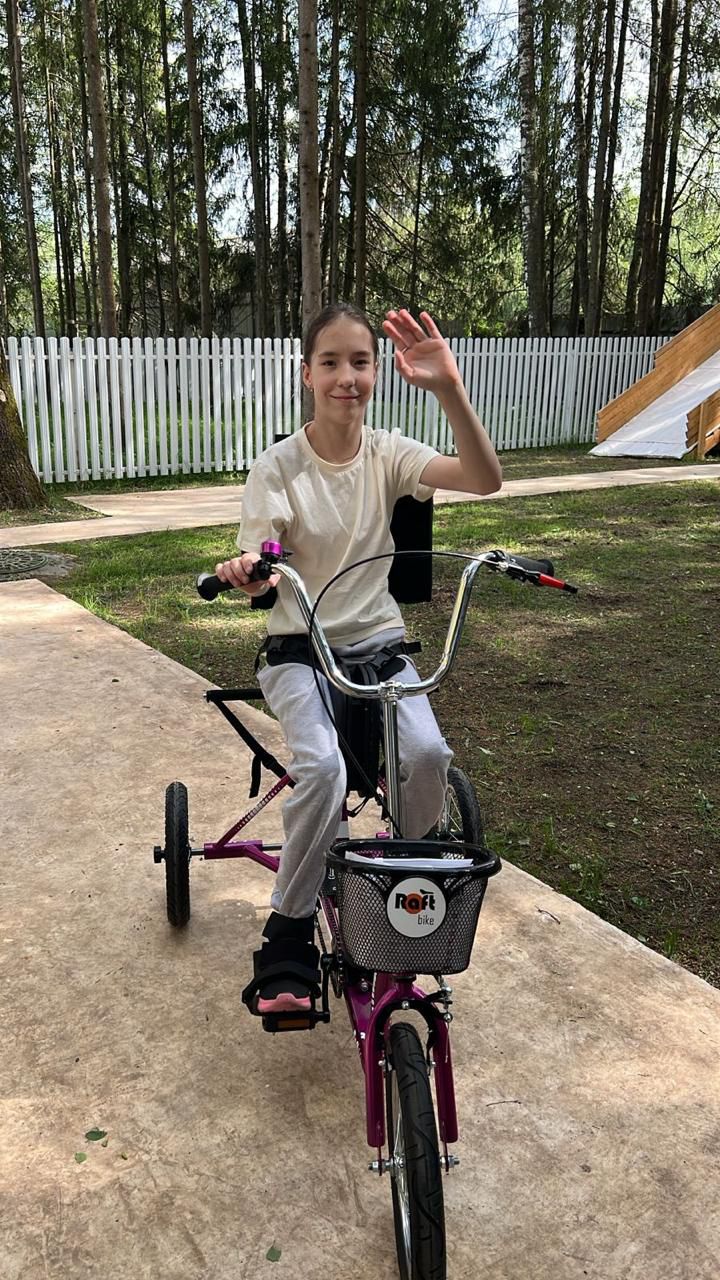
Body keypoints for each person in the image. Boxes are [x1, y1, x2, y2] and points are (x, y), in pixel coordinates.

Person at [215, 304, 501, 1019]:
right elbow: (266, 557)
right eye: (331, 362)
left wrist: (449, 387)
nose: (347, 376)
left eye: (361, 362)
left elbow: (483, 477)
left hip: (381, 645)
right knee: (322, 769)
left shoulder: (389, 453)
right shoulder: (279, 466)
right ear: (307, 373)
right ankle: (287, 933)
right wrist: (253, 571)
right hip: (300, 650)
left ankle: (410, 890)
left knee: (427, 755)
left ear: (377, 371)